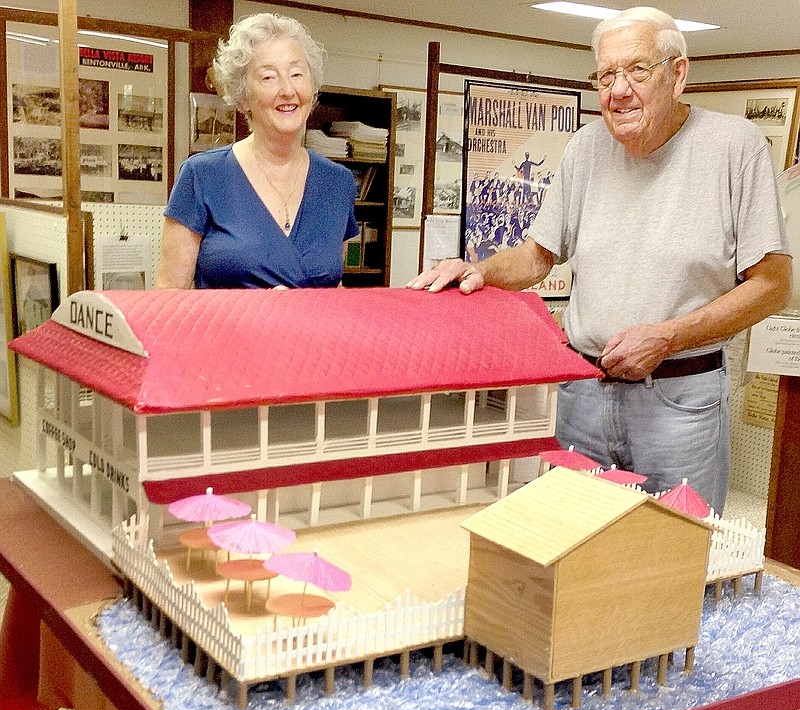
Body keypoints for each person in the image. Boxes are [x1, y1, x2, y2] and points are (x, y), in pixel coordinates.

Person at [407, 6, 792, 516]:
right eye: (606, 74)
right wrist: (478, 268)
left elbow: (773, 284)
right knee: (576, 545)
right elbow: (538, 254)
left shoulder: (735, 147)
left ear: (678, 75)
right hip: (583, 393)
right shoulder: (587, 146)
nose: (619, 89)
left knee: (676, 552)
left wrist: (669, 336)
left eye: (637, 69)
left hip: (680, 399)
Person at [155, 13, 358, 289]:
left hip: (314, 334)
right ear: (243, 97)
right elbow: (169, 297)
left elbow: (335, 288)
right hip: (227, 333)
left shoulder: (338, 183)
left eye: (297, 74)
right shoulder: (202, 175)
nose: (288, 90)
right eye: (268, 77)